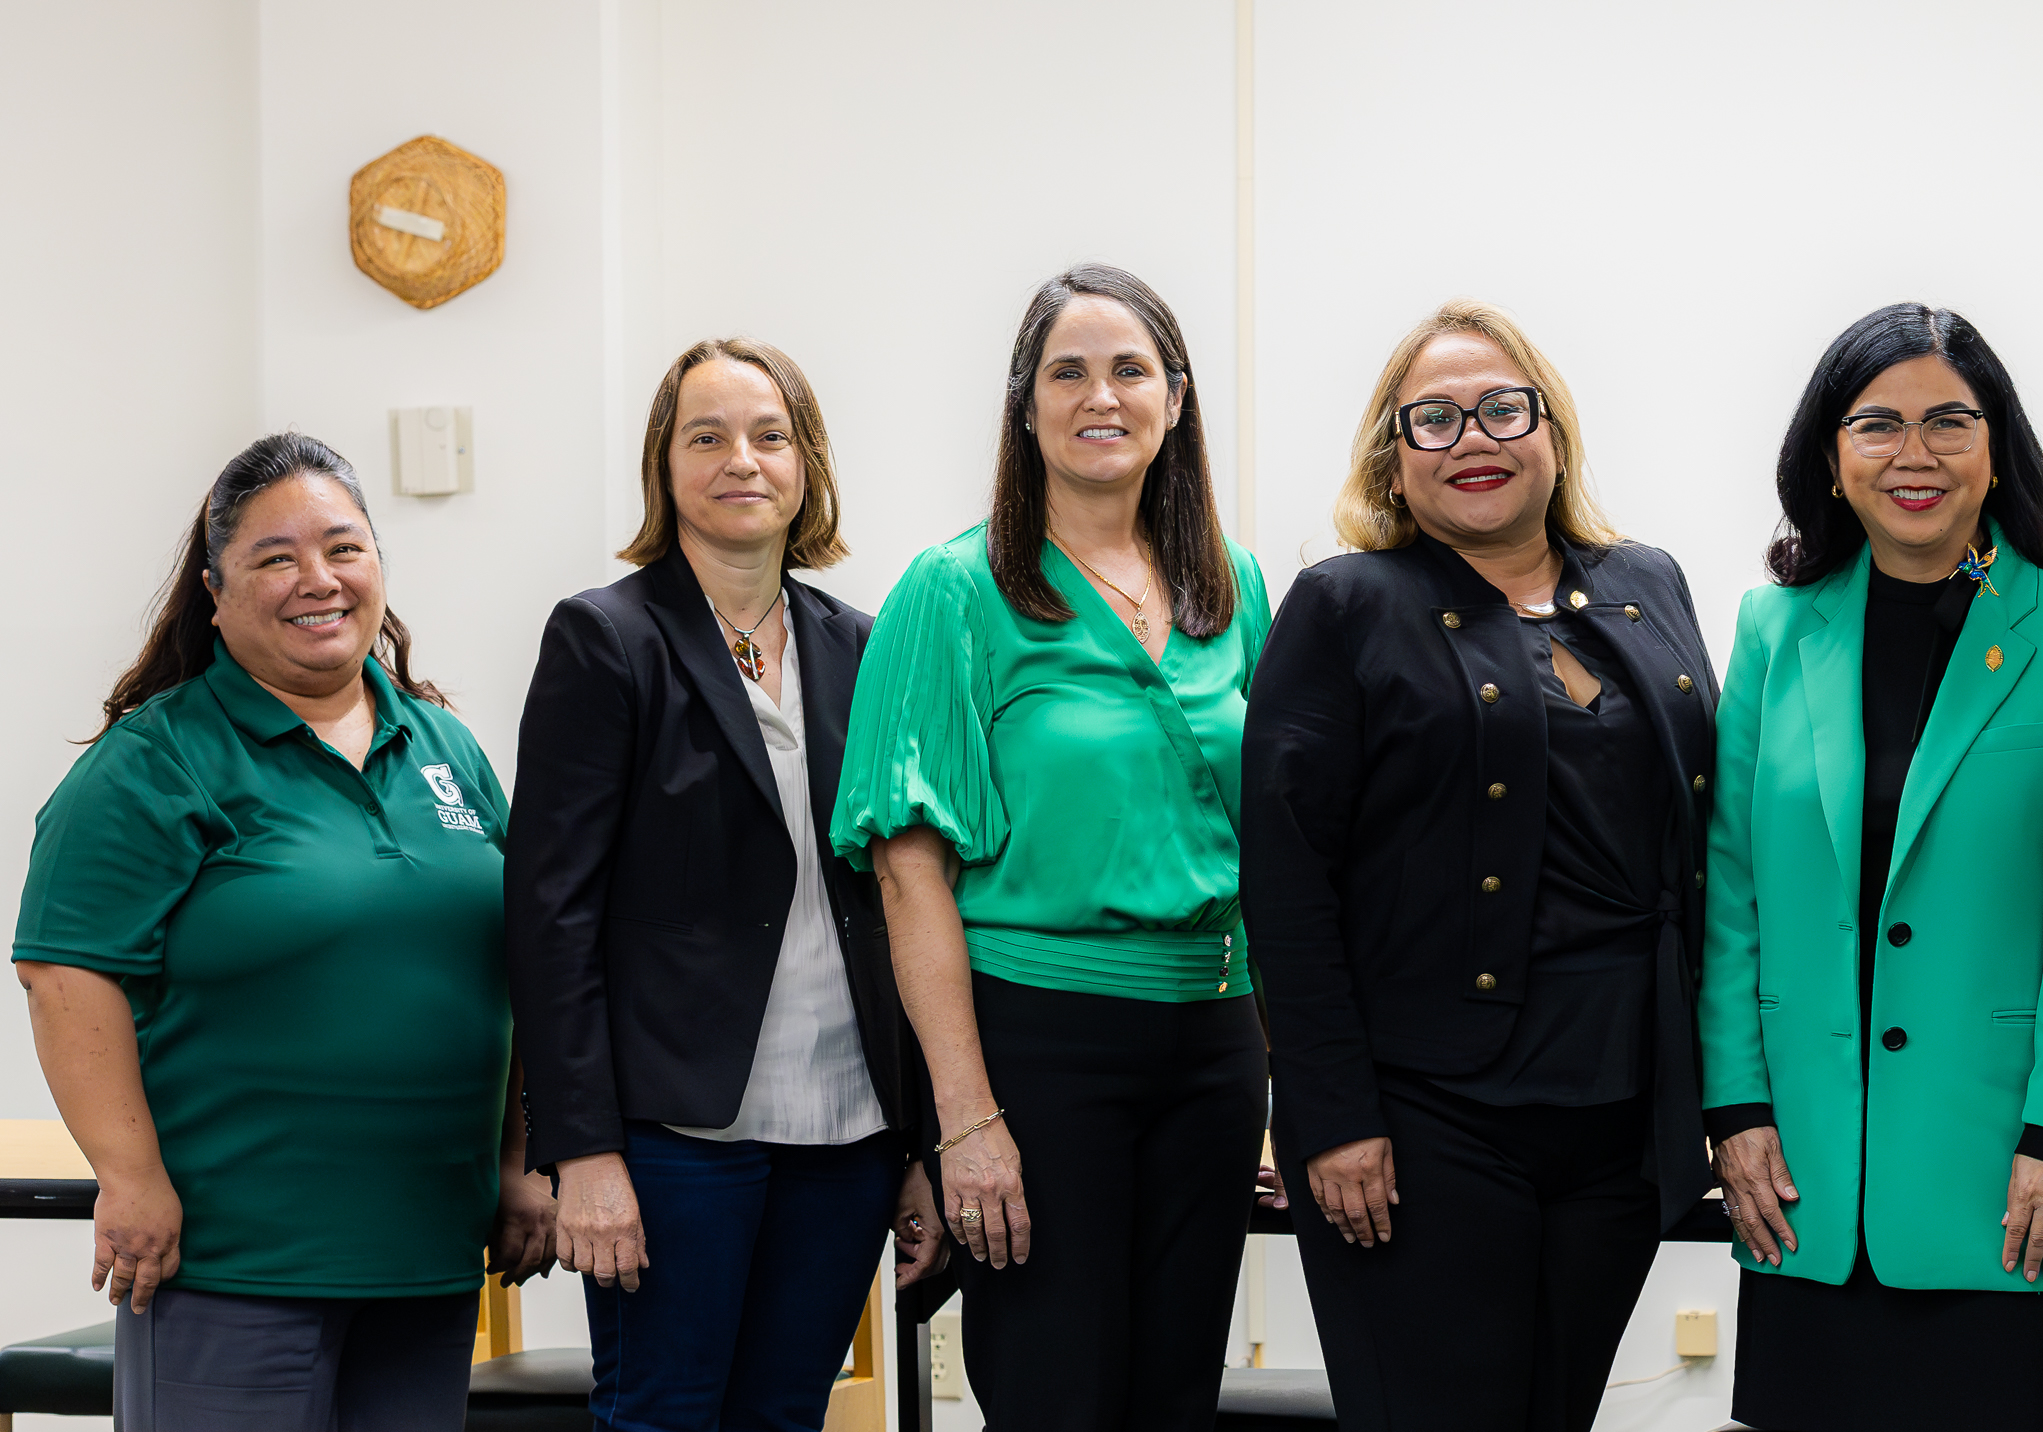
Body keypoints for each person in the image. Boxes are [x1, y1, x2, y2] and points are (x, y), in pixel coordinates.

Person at [13, 433, 552, 1431]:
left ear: (380, 569)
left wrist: (521, 1160)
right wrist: (129, 1180)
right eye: (275, 557)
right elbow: (64, 975)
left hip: (427, 1250)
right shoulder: (155, 760)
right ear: (214, 593)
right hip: (233, 1259)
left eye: (344, 548)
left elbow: (515, 965)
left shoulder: (443, 744)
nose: (319, 579)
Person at [1243, 299, 1716, 1432]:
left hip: (1617, 1111)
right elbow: (1285, 880)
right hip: (1422, 1117)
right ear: (1392, 461)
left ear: (1550, 433)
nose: (1474, 439)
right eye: (1435, 420)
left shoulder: (1646, 583)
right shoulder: (1345, 605)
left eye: (1502, 408)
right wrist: (1328, 1114)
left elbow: (1702, 836)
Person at [832, 264, 1270, 1431]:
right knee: (1055, 1395)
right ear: (1023, 407)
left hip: (1217, 1043)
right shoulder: (954, 589)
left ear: (1174, 399)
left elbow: (1273, 845)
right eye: (1064, 371)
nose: (1100, 395)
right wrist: (966, 1118)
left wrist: (1283, 1074)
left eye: (1130, 369)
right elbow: (906, 872)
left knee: (1175, 1395)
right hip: (1039, 1044)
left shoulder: (1234, 586)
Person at [1701, 303, 2043, 1432]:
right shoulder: (1772, 628)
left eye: (1949, 421)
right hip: (1808, 1178)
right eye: (1876, 425)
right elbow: (1733, 890)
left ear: (1998, 449)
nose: (1914, 455)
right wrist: (1735, 1106)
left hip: (2007, 1178)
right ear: (1829, 458)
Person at [508, 338, 944, 1430]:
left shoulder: (863, 644)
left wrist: (921, 1141)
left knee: (788, 1411)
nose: (738, 459)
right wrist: (582, 1149)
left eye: (768, 435)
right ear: (665, 465)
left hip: (847, 1126)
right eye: (705, 436)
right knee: (662, 1411)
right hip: (670, 1133)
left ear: (807, 466)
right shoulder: (605, 639)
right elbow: (548, 913)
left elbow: (908, 895)